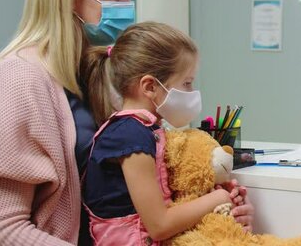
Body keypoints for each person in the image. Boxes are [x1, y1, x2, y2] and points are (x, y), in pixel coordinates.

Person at [0, 0, 253, 245]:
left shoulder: (101, 76)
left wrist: (218, 208)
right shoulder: (16, 83)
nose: (127, 8)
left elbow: (140, 192)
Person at [80, 21, 245, 244]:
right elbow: (159, 225)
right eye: (186, 83)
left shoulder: (144, 129)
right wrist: (219, 197)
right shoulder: (130, 136)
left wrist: (211, 195)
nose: (192, 92)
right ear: (149, 86)